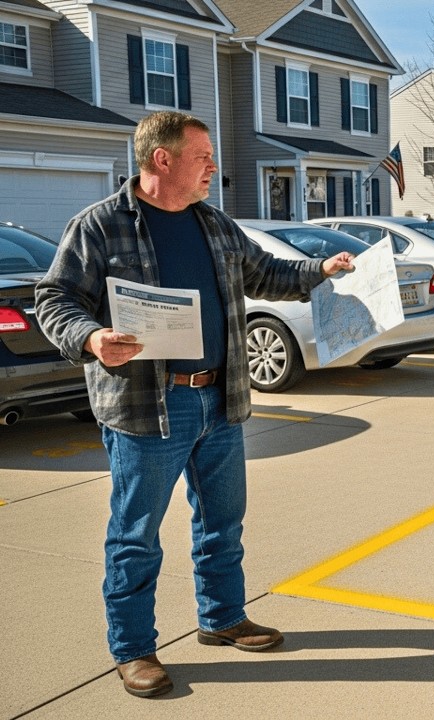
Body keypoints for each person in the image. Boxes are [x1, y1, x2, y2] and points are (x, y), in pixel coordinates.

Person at [35, 111, 356, 698]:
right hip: (146, 408)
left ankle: (222, 617)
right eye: (203, 156)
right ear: (163, 159)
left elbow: (267, 274)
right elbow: (55, 298)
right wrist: (91, 337)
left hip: (220, 398)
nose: (214, 167)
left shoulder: (214, 223)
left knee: (222, 523)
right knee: (136, 536)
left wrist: (320, 269)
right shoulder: (101, 226)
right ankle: (133, 650)